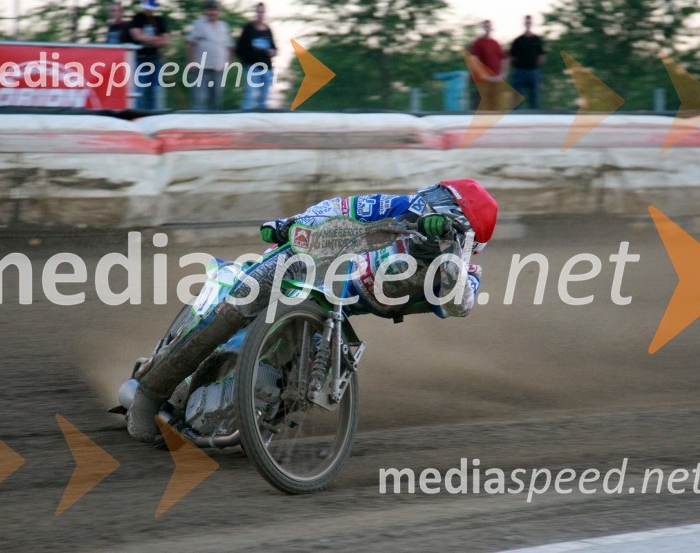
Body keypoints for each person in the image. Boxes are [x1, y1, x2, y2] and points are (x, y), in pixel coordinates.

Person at [127, 179, 499, 443]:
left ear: (466, 233)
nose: (428, 204)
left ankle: (256, 414)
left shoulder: (465, 273)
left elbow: (459, 304)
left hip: (340, 309)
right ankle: (151, 392)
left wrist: (449, 258)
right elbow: (339, 208)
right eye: (435, 195)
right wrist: (296, 224)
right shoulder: (400, 207)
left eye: (443, 205)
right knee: (244, 294)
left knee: (304, 364)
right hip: (318, 266)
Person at [186, 0, 234, 110]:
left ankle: (213, 126)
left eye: (214, 10)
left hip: (218, 70)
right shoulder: (199, 24)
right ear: (205, 11)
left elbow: (230, 47)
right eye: (209, 10)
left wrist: (229, 63)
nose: (212, 12)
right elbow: (190, 44)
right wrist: (191, 62)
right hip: (201, 69)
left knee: (216, 101)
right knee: (198, 100)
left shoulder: (224, 26)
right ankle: (196, 126)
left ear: (218, 11)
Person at [129, 0, 171, 110]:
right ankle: (136, 114)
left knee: (156, 91)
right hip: (140, 60)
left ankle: (155, 114)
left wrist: (148, 40)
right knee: (138, 91)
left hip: (156, 60)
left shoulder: (159, 20)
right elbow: (138, 36)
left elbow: (166, 40)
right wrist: (157, 39)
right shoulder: (138, 18)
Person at [236, 2, 277, 110]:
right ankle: (244, 119)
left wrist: (272, 52)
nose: (260, 14)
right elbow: (239, 47)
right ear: (255, 13)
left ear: (264, 13)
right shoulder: (249, 28)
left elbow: (274, 47)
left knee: (264, 97)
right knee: (249, 96)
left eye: (262, 12)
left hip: (266, 68)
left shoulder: (268, 29)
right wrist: (246, 60)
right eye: (258, 12)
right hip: (252, 67)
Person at [469, 20, 509, 111]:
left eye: (489, 26)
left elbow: (504, 59)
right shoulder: (478, 43)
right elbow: (474, 60)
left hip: (494, 78)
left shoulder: (495, 43)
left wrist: (503, 74)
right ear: (483, 28)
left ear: (491, 28)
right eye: (485, 26)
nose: (487, 28)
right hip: (482, 79)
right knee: (480, 101)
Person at [509, 15, 545, 110]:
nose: (528, 24)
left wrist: (535, 66)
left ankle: (534, 116)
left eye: (529, 22)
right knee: (517, 96)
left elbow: (541, 56)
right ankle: (515, 116)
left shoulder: (537, 40)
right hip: (520, 71)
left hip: (533, 71)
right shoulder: (518, 41)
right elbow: (512, 57)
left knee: (534, 96)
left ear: (531, 23)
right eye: (526, 22)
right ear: (524, 23)